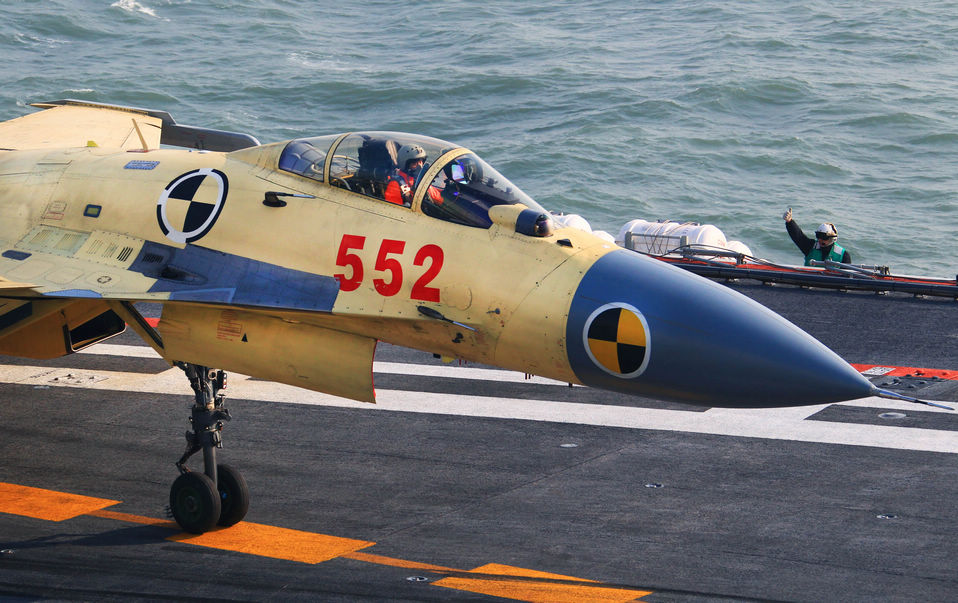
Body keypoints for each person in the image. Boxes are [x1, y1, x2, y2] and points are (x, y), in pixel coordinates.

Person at [783, 207, 851, 266]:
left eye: (824, 237)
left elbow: (847, 277)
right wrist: (789, 222)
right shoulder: (810, 247)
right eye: (818, 236)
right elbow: (798, 236)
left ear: (832, 239)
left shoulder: (843, 255)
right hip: (809, 279)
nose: (820, 240)